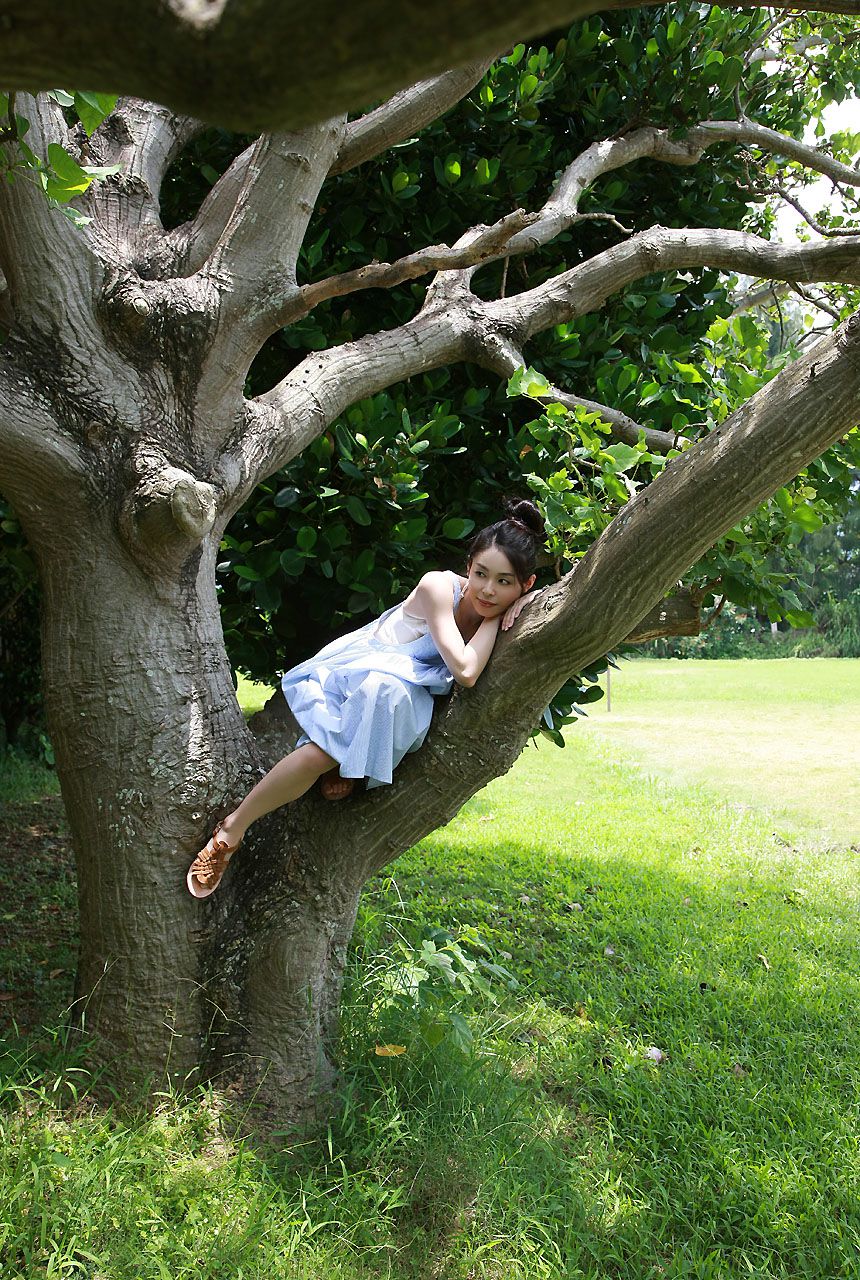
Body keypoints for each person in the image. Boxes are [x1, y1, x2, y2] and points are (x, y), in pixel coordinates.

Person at [186, 498, 544, 897]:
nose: (488, 590)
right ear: (468, 566)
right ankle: (230, 832)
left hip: (402, 694)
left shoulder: (506, 603)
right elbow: (465, 670)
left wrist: (527, 604)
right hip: (364, 675)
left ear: (525, 584)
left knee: (387, 702)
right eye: (481, 574)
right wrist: (498, 618)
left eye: (504, 582)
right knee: (320, 752)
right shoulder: (438, 587)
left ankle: (351, 766)